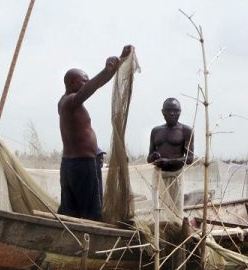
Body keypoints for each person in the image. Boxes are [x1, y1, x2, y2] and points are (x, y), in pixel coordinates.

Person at [58, 45, 133, 221]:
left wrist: (120, 61)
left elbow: (94, 85)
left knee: (71, 211)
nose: (87, 82)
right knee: (91, 212)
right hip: (81, 165)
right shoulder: (70, 101)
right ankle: (90, 238)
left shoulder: (66, 103)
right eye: (83, 81)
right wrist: (107, 70)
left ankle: (72, 236)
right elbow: (93, 86)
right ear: (72, 83)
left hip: (73, 164)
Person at [147, 97, 195, 215]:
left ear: (180, 112)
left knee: (176, 211)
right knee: (158, 210)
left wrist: (169, 161)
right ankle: (159, 227)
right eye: (168, 110)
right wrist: (153, 156)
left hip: (176, 177)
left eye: (175, 111)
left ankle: (176, 225)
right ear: (163, 112)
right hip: (158, 176)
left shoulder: (186, 131)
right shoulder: (156, 131)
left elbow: (189, 159)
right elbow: (149, 158)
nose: (172, 113)